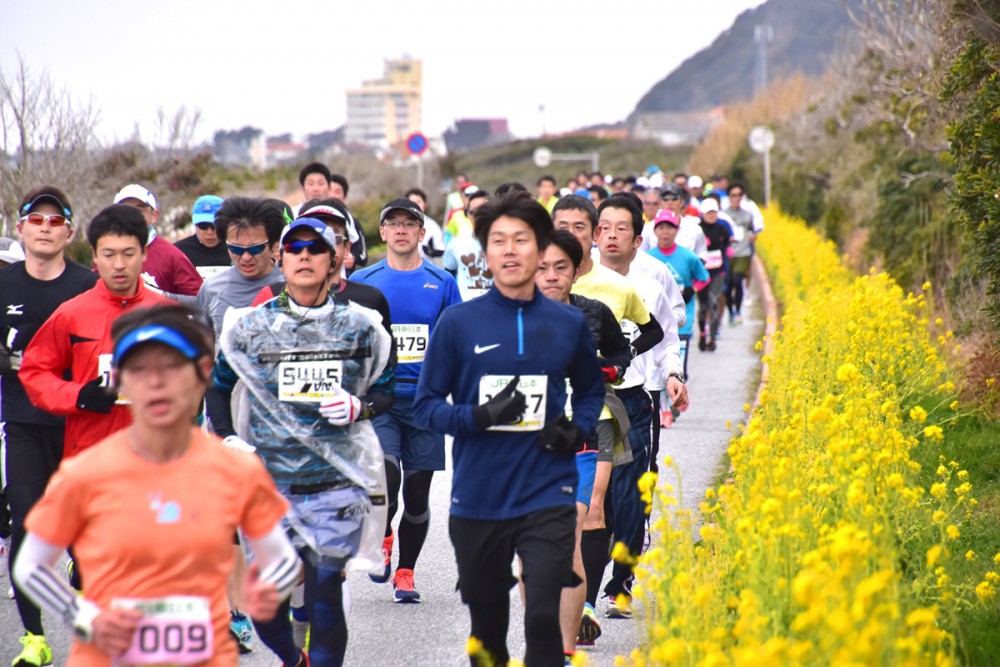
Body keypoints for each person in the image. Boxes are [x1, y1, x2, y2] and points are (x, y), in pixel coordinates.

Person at [13, 303, 300, 666]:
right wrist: (81, 616)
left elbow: (280, 559)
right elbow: (29, 566)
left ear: (199, 376)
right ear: (121, 378)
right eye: (141, 370)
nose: (156, 384)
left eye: (171, 369)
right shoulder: (86, 472)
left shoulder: (233, 469)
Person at [414, 192, 605, 666]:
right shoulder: (459, 323)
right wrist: (477, 417)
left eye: (522, 239)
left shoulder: (567, 322)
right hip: (479, 496)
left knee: (542, 618)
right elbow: (427, 408)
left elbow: (589, 390)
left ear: (541, 250)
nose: (510, 250)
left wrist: (576, 428)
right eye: (498, 240)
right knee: (488, 631)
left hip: (548, 491)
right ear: (484, 252)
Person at [208, 217, 394, 666]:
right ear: (280, 258)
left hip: (337, 482)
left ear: (335, 260)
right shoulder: (249, 326)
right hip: (269, 486)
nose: (305, 255)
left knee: (327, 589)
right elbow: (216, 387)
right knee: (266, 605)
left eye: (316, 248)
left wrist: (360, 407)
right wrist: (229, 436)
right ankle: (295, 660)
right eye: (295, 248)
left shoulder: (362, 326)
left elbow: (387, 391)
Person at [0, 186, 98, 666]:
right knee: (28, 526)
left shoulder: (86, 285)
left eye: (53, 221)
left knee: (86, 534)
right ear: (20, 230)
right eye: (34, 222)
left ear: (69, 232)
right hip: (22, 424)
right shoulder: (3, 285)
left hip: (79, 426)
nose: (44, 228)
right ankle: (33, 638)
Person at [352, 198, 461, 603]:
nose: (400, 230)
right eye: (392, 224)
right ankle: (381, 533)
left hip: (425, 401)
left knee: (417, 495)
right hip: (379, 399)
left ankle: (406, 571)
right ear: (382, 233)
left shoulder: (442, 281)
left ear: (421, 232)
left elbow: (455, 339)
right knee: (385, 473)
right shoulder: (364, 280)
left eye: (409, 224)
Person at [535, 229, 632, 660]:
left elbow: (621, 354)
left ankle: (565, 645)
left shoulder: (593, 314)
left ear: (577, 271)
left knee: (574, 529)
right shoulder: (510, 317)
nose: (552, 277)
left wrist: (607, 372)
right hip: (525, 444)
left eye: (561, 268)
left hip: (584, 436)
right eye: (543, 268)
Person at [593, 196, 688, 615]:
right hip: (592, 399)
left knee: (632, 493)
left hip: (639, 394)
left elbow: (670, 333)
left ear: (637, 238)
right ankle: (596, 567)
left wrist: (673, 375)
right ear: (596, 235)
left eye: (621, 229)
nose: (612, 236)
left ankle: (621, 582)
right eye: (605, 228)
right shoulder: (577, 280)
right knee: (602, 496)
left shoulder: (654, 278)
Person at [20, 203, 168, 460]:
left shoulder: (167, 315)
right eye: (109, 254)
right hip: (91, 457)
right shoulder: (72, 313)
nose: (119, 265)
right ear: (94, 256)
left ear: (143, 253)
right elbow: (35, 372)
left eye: (128, 254)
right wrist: (79, 396)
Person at [647, 209, 710, 414]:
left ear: (677, 231)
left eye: (670, 228)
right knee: (657, 366)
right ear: (655, 231)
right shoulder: (646, 259)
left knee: (677, 365)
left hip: (682, 319)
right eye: (661, 228)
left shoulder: (688, 256)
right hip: (653, 323)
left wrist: (693, 289)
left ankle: (672, 404)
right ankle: (664, 409)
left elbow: (703, 277)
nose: (665, 232)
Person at [195, 196, 285, 338]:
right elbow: (199, 344)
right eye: (236, 249)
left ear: (274, 245)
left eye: (255, 248)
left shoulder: (291, 283)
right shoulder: (212, 289)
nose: (246, 257)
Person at [113, 184, 203, 299]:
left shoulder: (172, 256)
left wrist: (163, 297)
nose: (132, 215)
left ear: (154, 215)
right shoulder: (105, 254)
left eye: (139, 210)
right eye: (125, 210)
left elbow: (200, 301)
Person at [442, 189, 493, 301]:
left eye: (483, 209)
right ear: (467, 215)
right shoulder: (457, 243)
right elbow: (447, 277)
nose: (478, 215)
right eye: (473, 211)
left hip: (497, 308)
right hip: (465, 307)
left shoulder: (504, 244)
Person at [723, 182, 763, 325]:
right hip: (728, 253)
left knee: (737, 281)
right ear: (729, 197)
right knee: (727, 286)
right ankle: (731, 312)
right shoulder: (724, 214)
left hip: (744, 252)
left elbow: (754, 229)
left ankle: (738, 311)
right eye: (733, 195)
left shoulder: (747, 214)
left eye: (739, 195)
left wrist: (753, 236)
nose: (736, 198)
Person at [697, 198, 733, 351]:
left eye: (714, 212)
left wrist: (729, 250)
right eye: (708, 213)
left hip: (718, 271)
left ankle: (712, 337)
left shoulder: (722, 228)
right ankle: (702, 334)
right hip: (701, 271)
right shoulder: (697, 229)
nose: (711, 215)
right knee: (703, 305)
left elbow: (728, 243)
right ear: (702, 214)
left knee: (714, 302)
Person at [174, 195, 232, 280]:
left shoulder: (237, 250)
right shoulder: (177, 252)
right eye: (203, 225)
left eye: (215, 225)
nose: (209, 232)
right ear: (194, 224)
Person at [406, 187, 445, 263]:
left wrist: (431, 252)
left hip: (426, 269)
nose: (415, 205)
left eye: (418, 202)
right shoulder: (398, 226)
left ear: (425, 205)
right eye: (411, 202)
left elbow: (441, 250)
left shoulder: (432, 226)